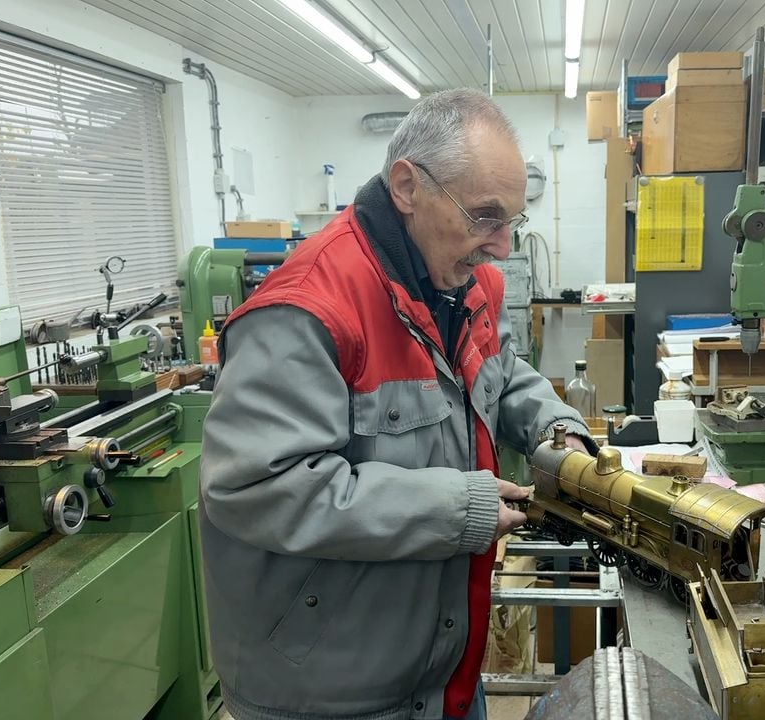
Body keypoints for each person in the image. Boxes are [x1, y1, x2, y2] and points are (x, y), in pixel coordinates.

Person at [198, 88, 595, 720]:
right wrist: (456, 505)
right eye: (484, 217)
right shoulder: (308, 309)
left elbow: (503, 373)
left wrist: (558, 429)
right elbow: (254, 486)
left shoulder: (471, 282)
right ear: (408, 186)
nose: (501, 248)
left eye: (511, 224)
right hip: (329, 693)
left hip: (445, 674)